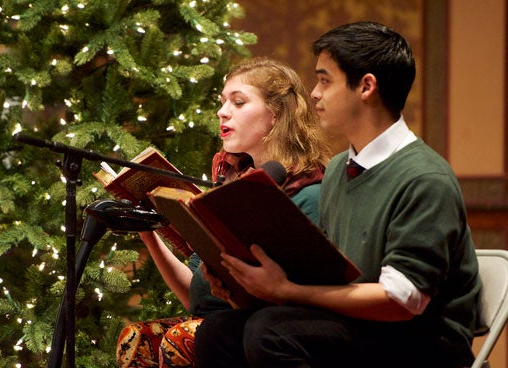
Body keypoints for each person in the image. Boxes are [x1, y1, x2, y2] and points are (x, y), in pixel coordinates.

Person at [194, 21, 481, 368]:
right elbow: (326, 276)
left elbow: (403, 299)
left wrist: (287, 291)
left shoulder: (424, 177)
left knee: (270, 332)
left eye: (325, 80)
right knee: (220, 330)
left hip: (421, 343)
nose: (314, 93)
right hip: (362, 329)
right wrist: (241, 283)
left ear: (366, 86)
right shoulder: (338, 171)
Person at [115, 56, 331, 367]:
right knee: (136, 340)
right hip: (220, 323)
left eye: (239, 102)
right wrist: (149, 236)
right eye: (222, 101)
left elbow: (294, 302)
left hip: (261, 331)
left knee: (184, 336)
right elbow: (197, 299)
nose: (222, 111)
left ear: (275, 115)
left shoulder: (307, 193)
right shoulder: (232, 184)